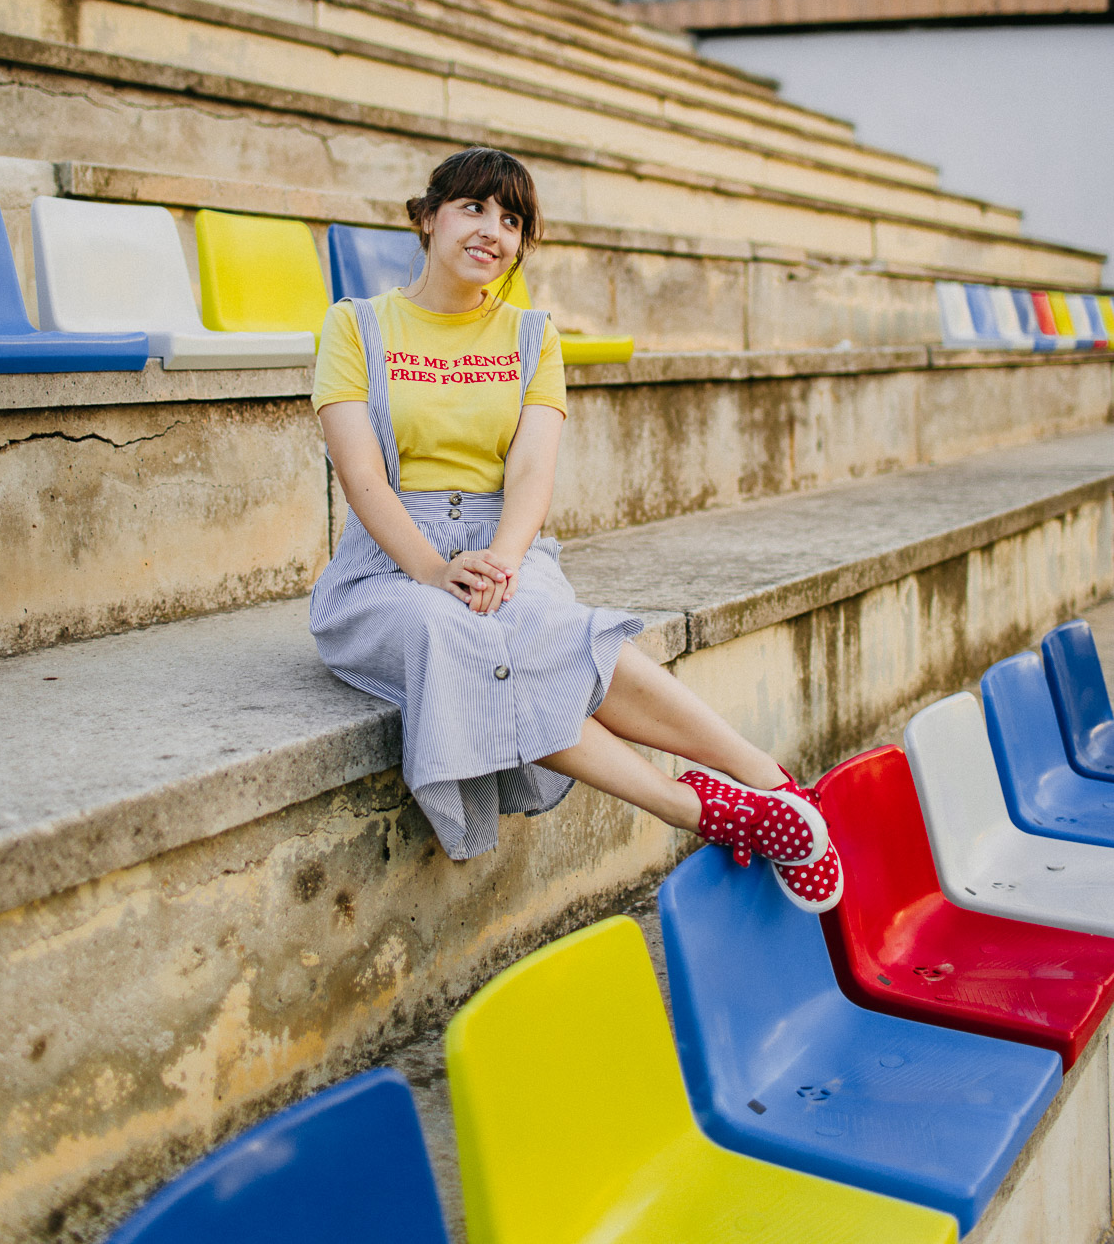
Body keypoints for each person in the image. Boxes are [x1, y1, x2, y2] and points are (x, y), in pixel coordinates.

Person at [310, 146, 842, 909]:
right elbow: (361, 476)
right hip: (391, 564)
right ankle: (701, 810)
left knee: (545, 624)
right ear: (425, 217)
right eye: (472, 207)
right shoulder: (354, 326)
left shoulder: (532, 336)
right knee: (448, 627)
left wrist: (499, 558)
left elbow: (531, 473)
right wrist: (432, 568)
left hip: (504, 543)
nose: (492, 228)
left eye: (512, 218)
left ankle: (771, 783)